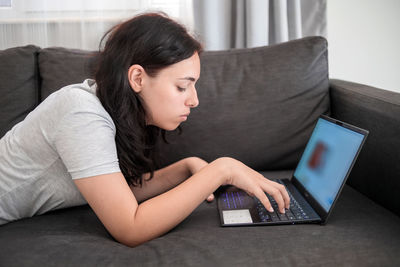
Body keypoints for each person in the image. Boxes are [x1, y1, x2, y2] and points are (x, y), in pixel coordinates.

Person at [0, 12, 290, 247]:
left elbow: (120, 194)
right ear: (137, 78)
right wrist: (222, 170)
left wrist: (185, 167)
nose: (194, 99)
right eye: (182, 86)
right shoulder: (80, 111)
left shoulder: (109, 112)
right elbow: (130, 227)